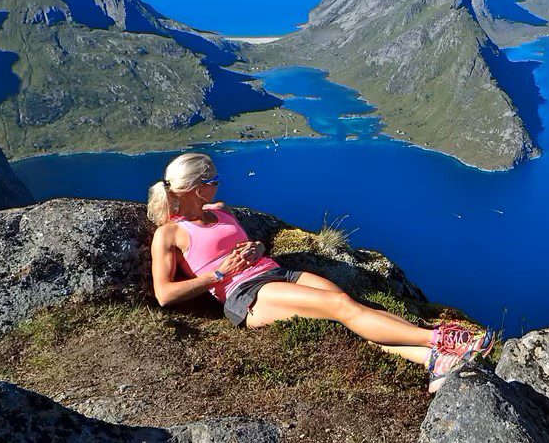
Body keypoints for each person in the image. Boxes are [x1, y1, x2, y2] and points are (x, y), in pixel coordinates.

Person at [147, 152, 496, 393]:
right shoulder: (170, 234)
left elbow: (249, 245)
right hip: (247, 295)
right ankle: (441, 340)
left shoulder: (221, 213)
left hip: (275, 272)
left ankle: (432, 360)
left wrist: (258, 249)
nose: (219, 185)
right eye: (215, 179)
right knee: (343, 309)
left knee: (349, 304)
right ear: (198, 187)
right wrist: (220, 274)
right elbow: (165, 295)